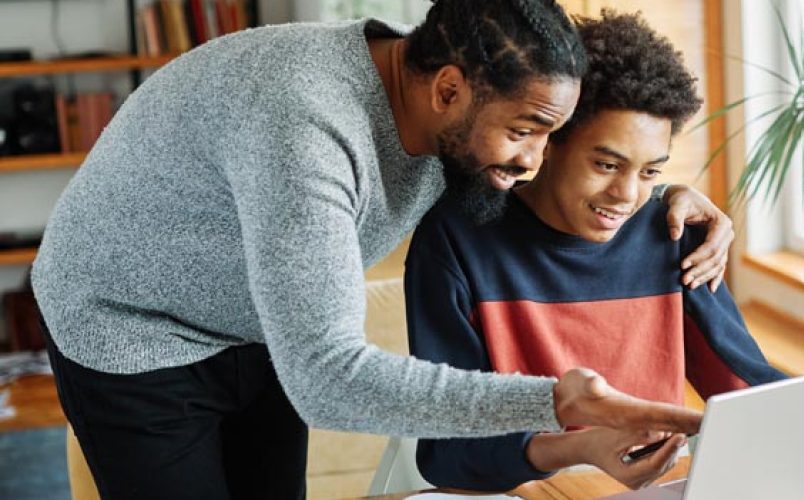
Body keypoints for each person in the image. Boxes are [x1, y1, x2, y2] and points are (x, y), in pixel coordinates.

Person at [30, 1, 732, 498]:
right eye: (528, 131)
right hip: (133, 324)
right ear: (449, 89)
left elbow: (570, 173)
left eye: (552, 136)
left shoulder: (450, 97)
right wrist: (554, 402)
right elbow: (328, 379)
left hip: (260, 322)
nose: (535, 159)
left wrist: (668, 201)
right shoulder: (306, 127)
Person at [404, 10, 787, 492]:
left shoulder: (672, 233)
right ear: (550, 141)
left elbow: (745, 389)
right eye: (607, 164)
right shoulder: (458, 240)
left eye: (650, 172)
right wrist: (582, 446)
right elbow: (448, 453)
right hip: (518, 490)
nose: (627, 195)